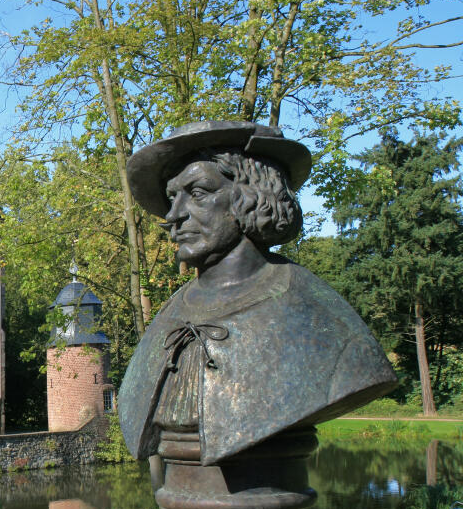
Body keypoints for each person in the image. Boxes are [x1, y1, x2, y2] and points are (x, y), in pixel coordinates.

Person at [118, 121, 397, 465]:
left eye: (199, 193)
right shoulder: (169, 317)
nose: (172, 215)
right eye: (172, 197)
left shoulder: (313, 311)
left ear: (251, 199)